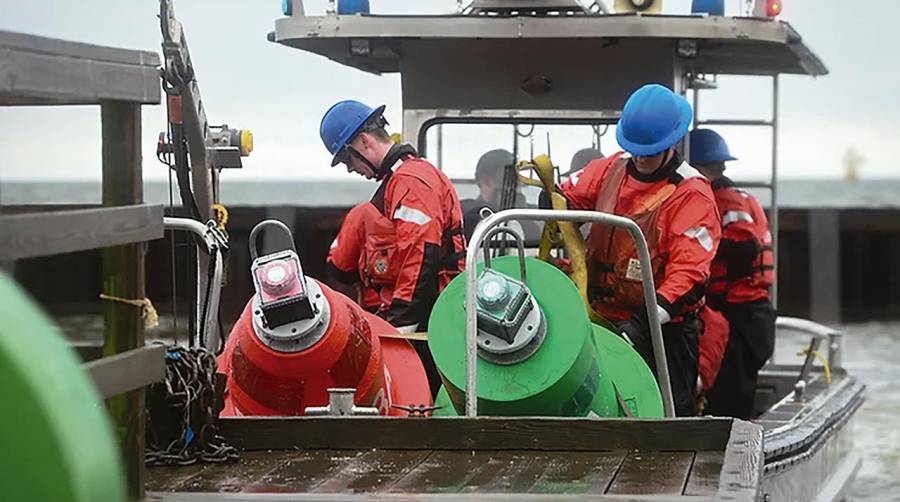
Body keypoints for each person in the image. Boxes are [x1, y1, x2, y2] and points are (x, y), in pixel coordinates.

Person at [558, 84, 721, 416]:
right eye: (637, 150)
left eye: (651, 150)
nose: (643, 158)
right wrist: (553, 202)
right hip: (599, 318)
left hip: (663, 331)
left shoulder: (692, 195)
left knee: (668, 415)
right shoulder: (610, 169)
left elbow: (689, 273)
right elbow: (567, 194)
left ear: (672, 143)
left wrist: (643, 323)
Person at [319, 100, 466, 395]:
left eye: (348, 160)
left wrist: (402, 322)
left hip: (434, 311)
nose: (351, 170)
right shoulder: (401, 180)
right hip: (429, 307)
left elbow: (421, 254)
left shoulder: (410, 182)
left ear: (363, 141)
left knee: (416, 396)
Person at [689, 128, 775, 419]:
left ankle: (733, 455)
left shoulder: (724, 200)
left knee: (729, 399)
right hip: (749, 315)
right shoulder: (738, 197)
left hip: (739, 316)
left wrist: (696, 243)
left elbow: (744, 246)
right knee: (730, 394)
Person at [460, 149, 539, 242]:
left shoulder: (536, 213)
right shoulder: (465, 213)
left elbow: (537, 243)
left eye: (518, 178)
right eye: (509, 179)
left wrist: (522, 216)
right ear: (486, 181)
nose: (517, 184)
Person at [325, 201, 390, 313]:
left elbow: (340, 268)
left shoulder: (364, 212)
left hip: (379, 307)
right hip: (425, 306)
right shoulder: (428, 207)